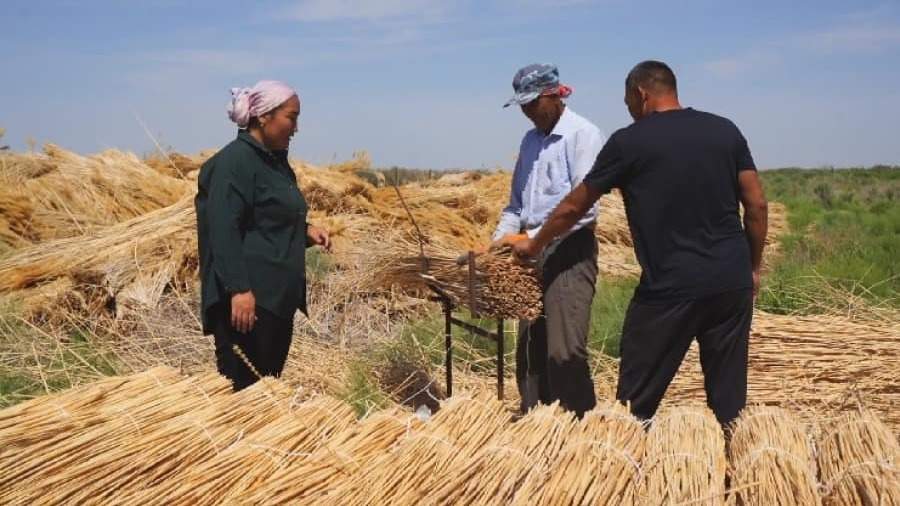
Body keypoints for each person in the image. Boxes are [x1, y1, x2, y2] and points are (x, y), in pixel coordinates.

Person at [513, 60, 768, 426]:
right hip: (730, 283)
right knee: (729, 402)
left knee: (633, 407)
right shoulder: (725, 131)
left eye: (628, 102)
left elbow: (574, 206)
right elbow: (756, 205)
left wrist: (535, 244)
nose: (630, 111)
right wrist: (753, 267)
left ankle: (625, 467)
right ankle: (736, 467)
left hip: (668, 288)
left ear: (641, 94)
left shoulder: (629, 142)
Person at [195, 80, 331, 391]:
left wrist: (306, 231)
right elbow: (223, 229)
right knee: (243, 393)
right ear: (264, 116)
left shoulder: (275, 163)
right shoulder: (234, 163)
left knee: (266, 390)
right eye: (291, 117)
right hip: (248, 304)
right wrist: (239, 290)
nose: (295, 128)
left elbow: (268, 217)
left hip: (275, 300)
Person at [492, 63, 607, 418]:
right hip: (528, 252)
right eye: (522, 106)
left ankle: (579, 424)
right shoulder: (530, 142)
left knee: (565, 349)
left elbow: (583, 210)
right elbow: (516, 205)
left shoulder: (582, 135)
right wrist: (497, 245)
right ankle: (535, 421)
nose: (527, 113)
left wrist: (533, 239)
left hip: (567, 249)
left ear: (553, 95)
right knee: (530, 347)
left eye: (532, 104)